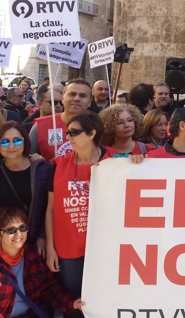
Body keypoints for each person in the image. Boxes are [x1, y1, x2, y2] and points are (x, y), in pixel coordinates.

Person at [46, 112, 111, 316]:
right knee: (74, 304)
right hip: (69, 250)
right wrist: (50, 248)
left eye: (74, 133)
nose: (68, 137)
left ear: (92, 133)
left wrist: (137, 161)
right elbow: (50, 209)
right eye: (67, 132)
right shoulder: (57, 164)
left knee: (104, 302)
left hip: (105, 249)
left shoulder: (115, 163)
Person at [0, 207, 84, 317]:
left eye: (23, 228)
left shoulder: (33, 255)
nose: (19, 234)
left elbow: (51, 289)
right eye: (11, 230)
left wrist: (71, 304)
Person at [0, 122, 52, 254]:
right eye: (5, 142)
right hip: (6, 242)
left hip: (35, 241)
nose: (11, 146)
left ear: (25, 141)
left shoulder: (42, 169)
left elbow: (48, 207)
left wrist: (42, 236)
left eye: (17, 140)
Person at [29, 79, 92, 160]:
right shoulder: (40, 126)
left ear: (90, 102)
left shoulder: (98, 127)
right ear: (63, 98)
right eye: (72, 94)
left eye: (82, 96)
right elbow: (28, 159)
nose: (76, 99)